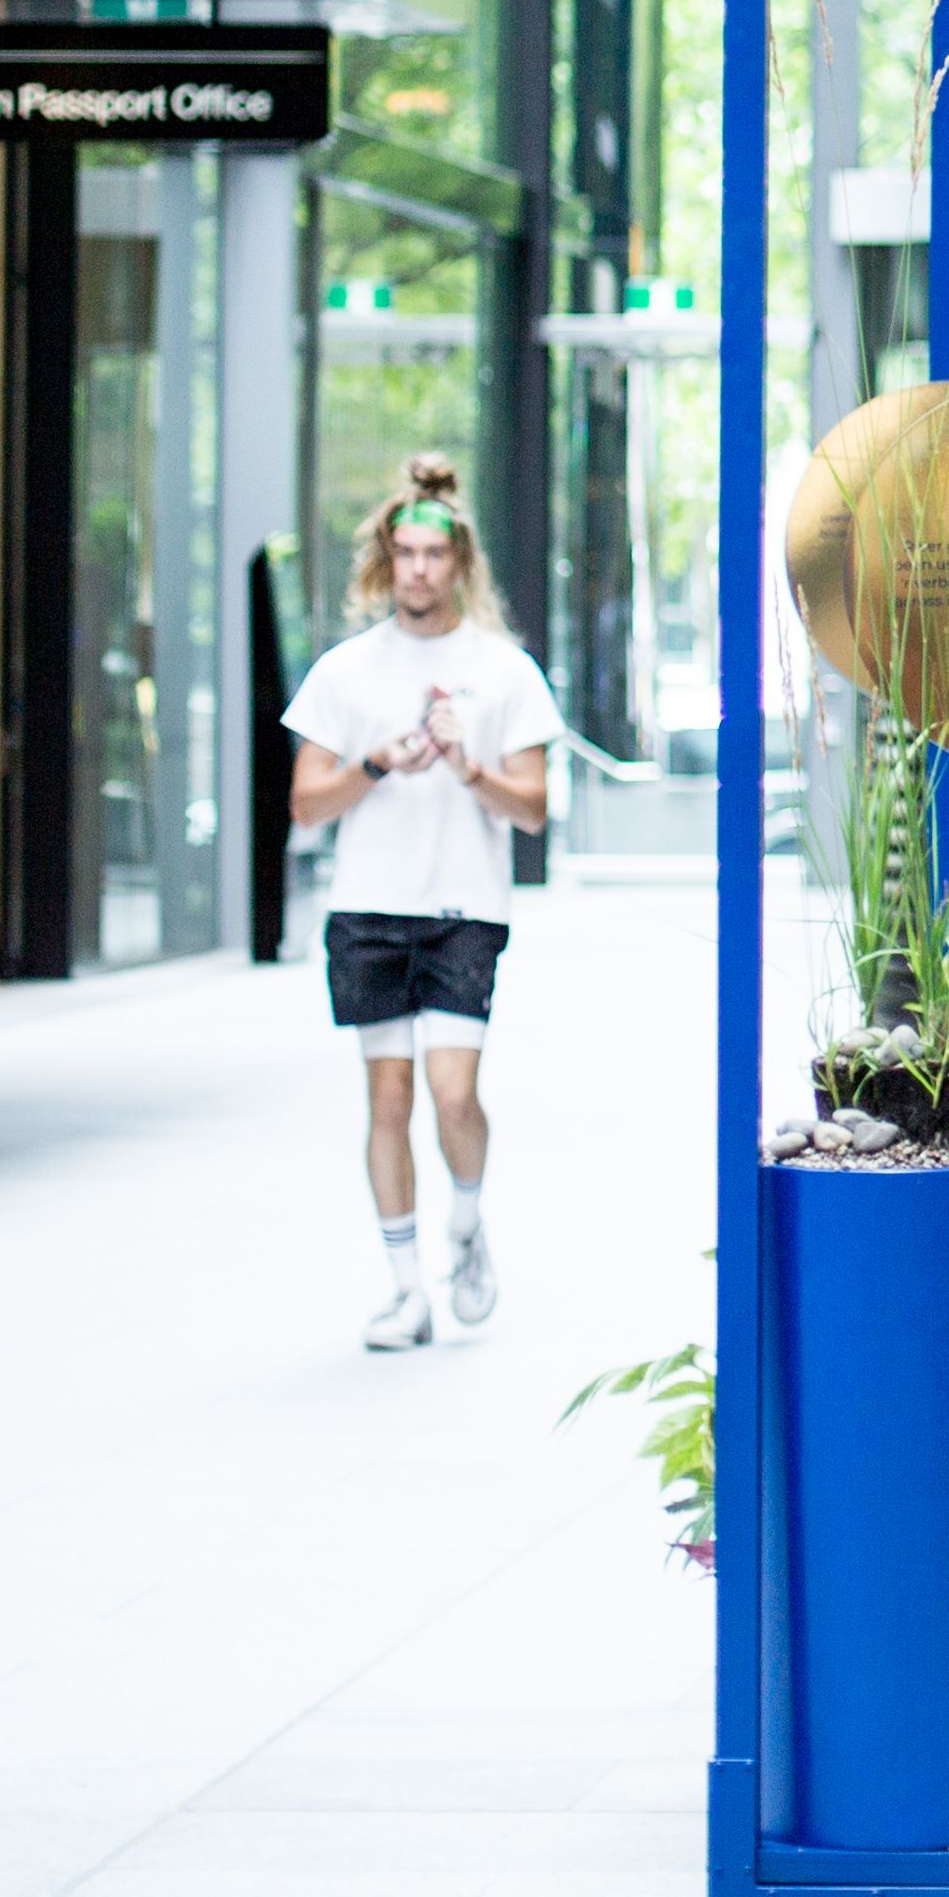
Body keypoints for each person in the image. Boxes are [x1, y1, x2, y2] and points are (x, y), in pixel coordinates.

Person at [283, 455, 557, 1352]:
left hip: (463, 905)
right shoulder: (346, 671)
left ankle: (466, 1225)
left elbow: (532, 808)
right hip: (368, 905)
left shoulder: (504, 670)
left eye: (432, 555)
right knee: (389, 1097)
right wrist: (376, 765)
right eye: (402, 553)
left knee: (452, 1093)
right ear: (383, 561)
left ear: (459, 563)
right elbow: (305, 801)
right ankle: (406, 1291)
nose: (417, 570)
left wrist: (469, 765)